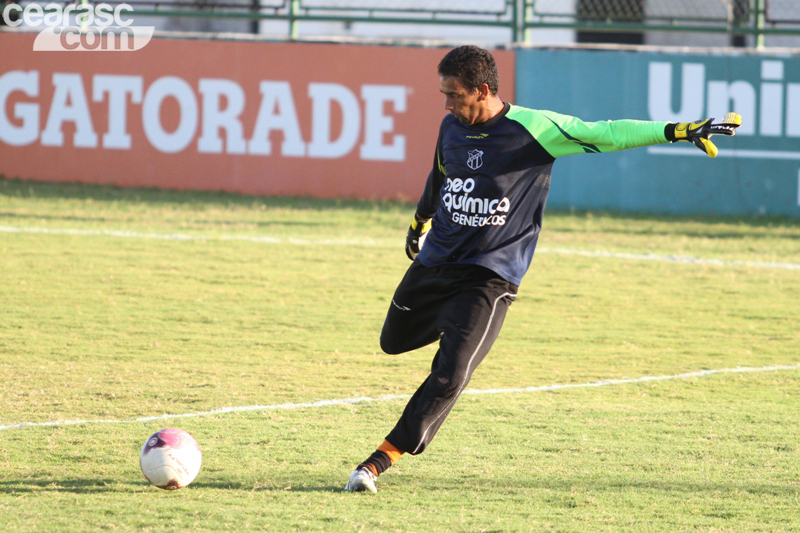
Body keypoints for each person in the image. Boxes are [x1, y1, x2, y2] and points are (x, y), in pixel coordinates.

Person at [345, 45, 741, 493]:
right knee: (391, 341)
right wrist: (419, 220)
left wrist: (677, 130)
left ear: (483, 90)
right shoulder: (450, 127)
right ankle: (458, 324)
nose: (447, 104)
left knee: (451, 373)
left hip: (489, 275)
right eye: (444, 95)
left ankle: (378, 462)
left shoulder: (535, 129)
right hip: (437, 261)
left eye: (454, 95)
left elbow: (607, 132)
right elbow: (440, 176)